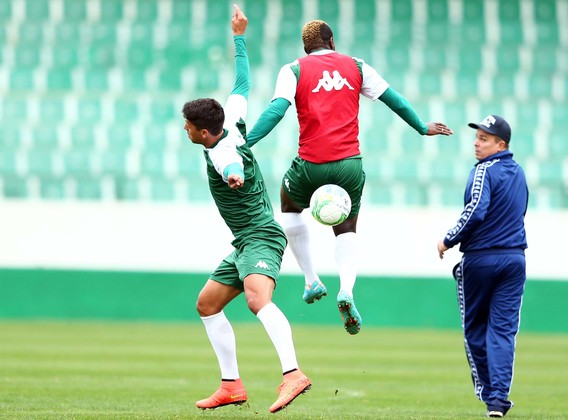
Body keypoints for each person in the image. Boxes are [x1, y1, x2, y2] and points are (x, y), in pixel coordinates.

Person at [245, 19, 453, 335]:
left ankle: (311, 279)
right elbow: (393, 99)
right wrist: (422, 126)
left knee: (288, 203)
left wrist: (247, 143)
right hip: (349, 165)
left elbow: (277, 110)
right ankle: (347, 290)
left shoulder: (293, 70)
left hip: (311, 164)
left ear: (306, 47)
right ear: (332, 41)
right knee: (347, 226)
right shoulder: (356, 66)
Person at [181, 5, 310, 414]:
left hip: (262, 235)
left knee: (257, 300)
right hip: (244, 242)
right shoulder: (233, 119)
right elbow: (242, 81)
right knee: (207, 304)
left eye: (187, 126)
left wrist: (234, 175)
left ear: (203, 131)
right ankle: (231, 384)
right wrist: (239, 37)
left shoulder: (219, 153)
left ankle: (293, 375)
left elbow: (229, 165)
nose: (184, 130)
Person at [436, 115, 528, 418]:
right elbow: (521, 209)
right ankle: (498, 400)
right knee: (502, 332)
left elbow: (475, 211)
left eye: (484, 139)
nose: (477, 143)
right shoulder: (519, 173)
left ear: (501, 144)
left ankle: (488, 392)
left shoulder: (483, 171)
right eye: (477, 138)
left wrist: (448, 239)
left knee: (475, 329)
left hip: (480, 259)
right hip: (515, 259)